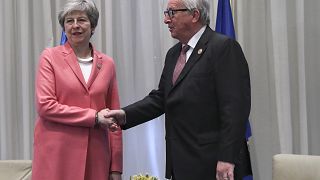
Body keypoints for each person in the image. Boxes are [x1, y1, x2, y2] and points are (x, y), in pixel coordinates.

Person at [106, 0, 251, 180]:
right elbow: (161, 98)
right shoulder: (174, 54)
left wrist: (227, 158)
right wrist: (124, 115)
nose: (166, 20)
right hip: (181, 162)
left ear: (195, 15)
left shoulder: (223, 48)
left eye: (172, 13)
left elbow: (235, 109)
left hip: (214, 164)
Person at [32, 0, 122, 180]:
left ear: (93, 26)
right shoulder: (49, 57)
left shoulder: (107, 63)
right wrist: (94, 117)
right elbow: (46, 106)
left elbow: (115, 118)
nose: (75, 26)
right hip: (57, 155)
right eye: (69, 21)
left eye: (81, 20)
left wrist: (116, 167)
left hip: (96, 156)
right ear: (64, 27)